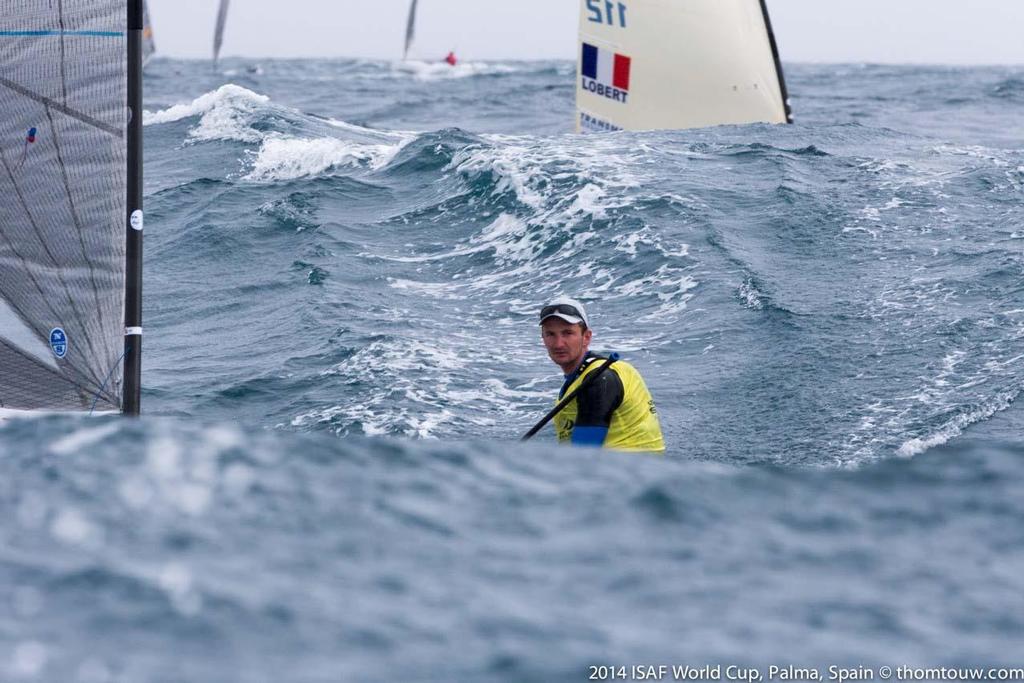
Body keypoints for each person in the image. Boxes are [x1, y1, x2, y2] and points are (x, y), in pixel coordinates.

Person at [539, 296, 665, 452]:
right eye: (550, 334)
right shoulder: (581, 377)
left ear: (586, 337)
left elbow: (582, 455)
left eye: (567, 333)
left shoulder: (599, 379)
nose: (558, 343)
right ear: (543, 338)